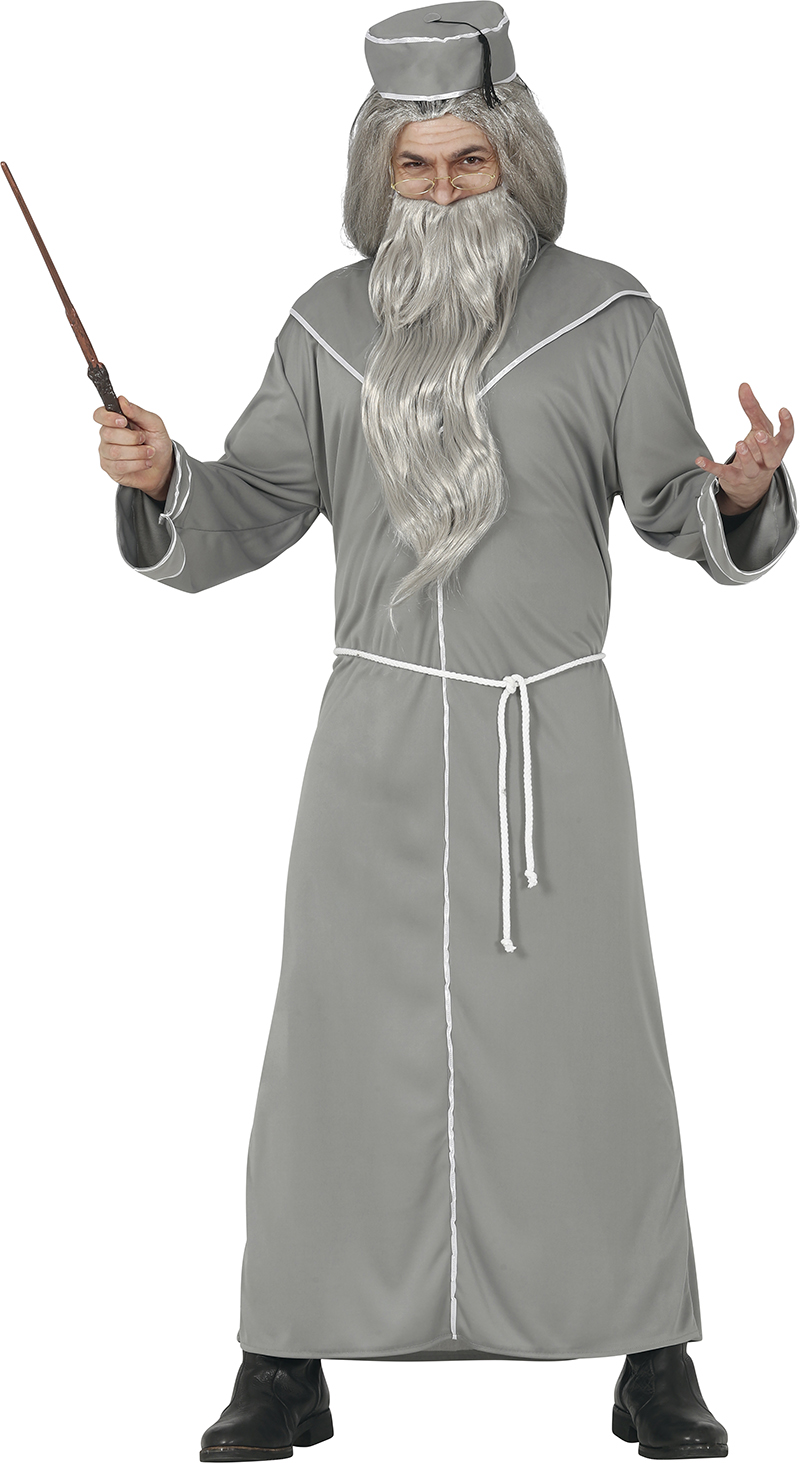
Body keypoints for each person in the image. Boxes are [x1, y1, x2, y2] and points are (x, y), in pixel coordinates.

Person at [95, 5, 795, 1459]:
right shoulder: (327, 326)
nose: (443, 192)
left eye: (469, 162)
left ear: (517, 162)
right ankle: (282, 1360)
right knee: (336, 1041)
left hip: (554, 741)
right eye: (415, 167)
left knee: (592, 1041)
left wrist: (736, 494)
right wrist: (165, 479)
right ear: (379, 173)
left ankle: (652, 1354)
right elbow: (250, 509)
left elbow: (672, 504)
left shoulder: (610, 317)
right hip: (377, 745)